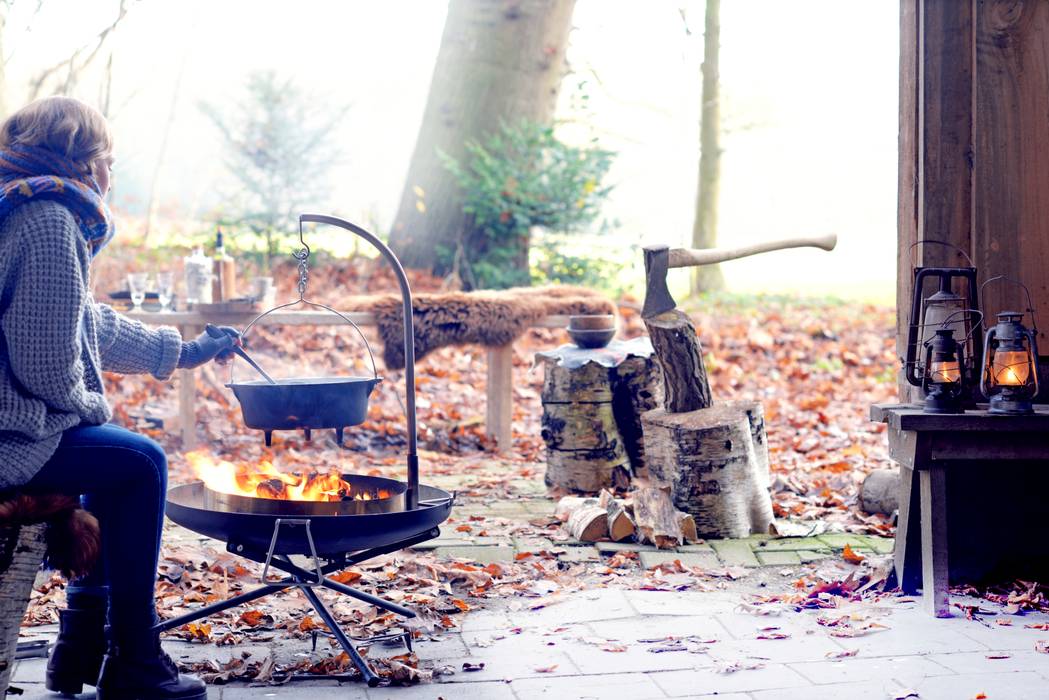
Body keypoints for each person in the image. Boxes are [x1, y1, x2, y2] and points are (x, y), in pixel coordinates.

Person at [0, 96, 239, 699]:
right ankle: (135, 657)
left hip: (11, 424)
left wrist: (182, 351)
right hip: (8, 437)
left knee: (113, 455)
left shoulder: (20, 207)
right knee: (140, 462)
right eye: (109, 159)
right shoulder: (50, 219)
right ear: (85, 161)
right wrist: (90, 411)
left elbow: (84, 324)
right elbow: (47, 365)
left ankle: (78, 647)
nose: (112, 173)